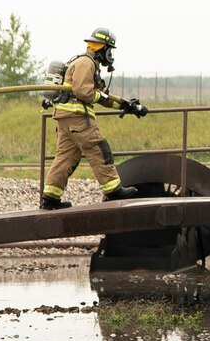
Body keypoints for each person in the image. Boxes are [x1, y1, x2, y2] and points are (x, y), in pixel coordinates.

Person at [41, 28, 147, 209]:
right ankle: (113, 189)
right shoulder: (86, 63)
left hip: (66, 119)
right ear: (102, 48)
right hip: (78, 119)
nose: (110, 55)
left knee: (65, 159)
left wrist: (125, 105)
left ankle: (50, 199)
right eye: (109, 50)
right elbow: (85, 92)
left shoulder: (86, 63)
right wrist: (100, 97)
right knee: (99, 149)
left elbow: (102, 97)